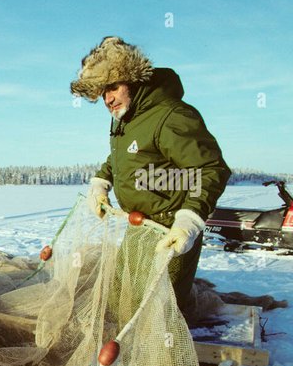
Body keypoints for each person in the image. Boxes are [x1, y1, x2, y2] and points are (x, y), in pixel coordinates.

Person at [72, 36, 231, 316]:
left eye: (112, 87)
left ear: (131, 79)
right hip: (138, 227)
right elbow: (124, 158)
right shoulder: (128, 119)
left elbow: (210, 168)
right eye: (101, 92)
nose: (107, 98)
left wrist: (189, 221)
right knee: (121, 299)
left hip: (169, 231)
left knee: (154, 312)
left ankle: (161, 357)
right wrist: (101, 182)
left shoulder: (171, 115)